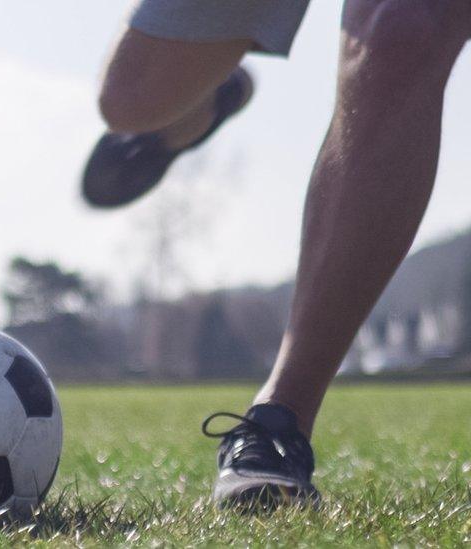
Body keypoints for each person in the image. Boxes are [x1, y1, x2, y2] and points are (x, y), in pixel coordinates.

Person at [82, 0, 471, 508]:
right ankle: (198, 108)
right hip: (149, 105)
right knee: (132, 98)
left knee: (404, 26)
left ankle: (277, 422)